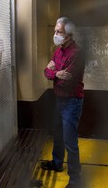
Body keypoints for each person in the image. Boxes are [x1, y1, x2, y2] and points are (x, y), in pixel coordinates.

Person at [41, 17, 86, 188]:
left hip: (72, 102)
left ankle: (75, 180)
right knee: (58, 135)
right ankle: (57, 163)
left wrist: (54, 72)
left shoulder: (77, 53)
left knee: (70, 141)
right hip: (59, 100)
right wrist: (55, 74)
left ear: (68, 35)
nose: (55, 35)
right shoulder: (58, 51)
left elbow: (68, 81)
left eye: (58, 32)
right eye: (55, 31)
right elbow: (46, 72)